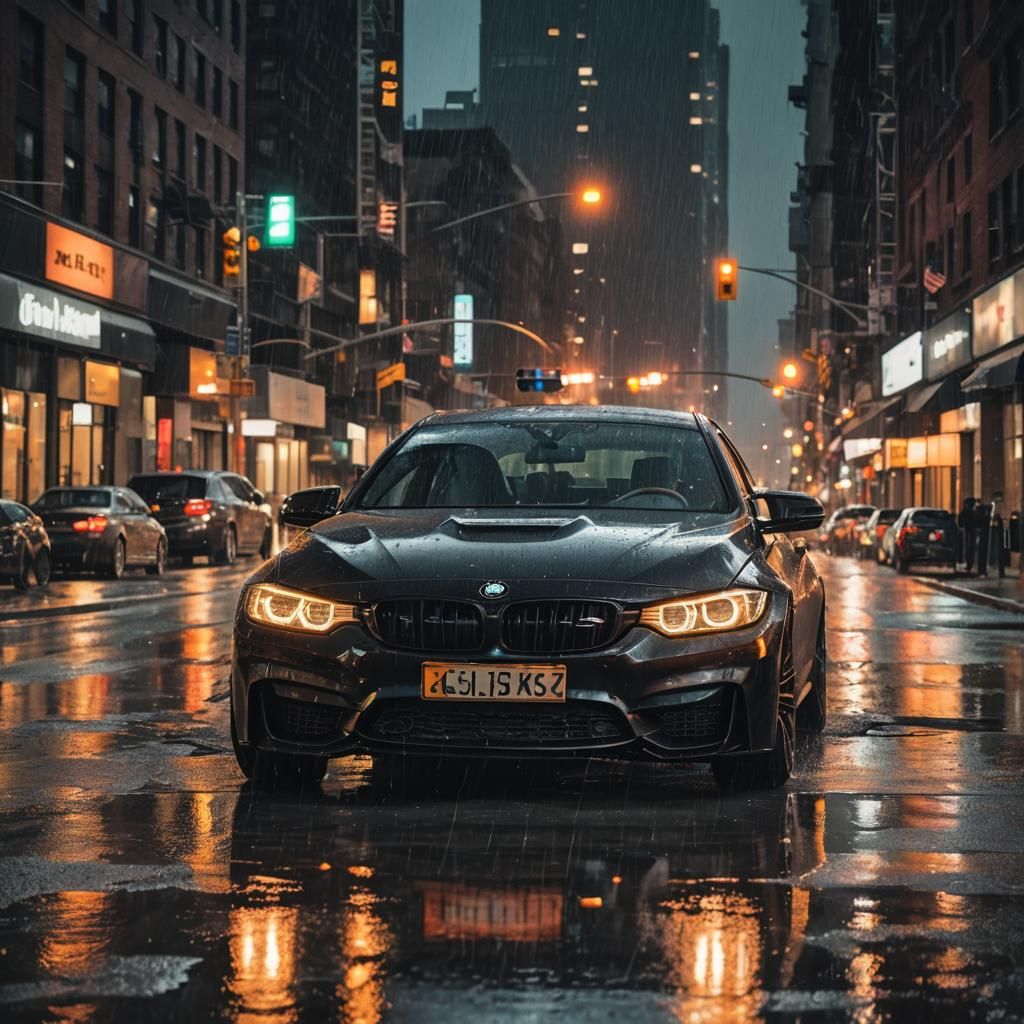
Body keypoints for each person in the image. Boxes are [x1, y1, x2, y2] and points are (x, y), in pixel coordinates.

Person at [958, 497, 976, 571]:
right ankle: (969, 564)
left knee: (968, 548)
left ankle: (968, 564)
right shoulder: (971, 512)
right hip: (969, 531)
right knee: (969, 548)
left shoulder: (965, 512)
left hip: (967, 531)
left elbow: (960, 520)